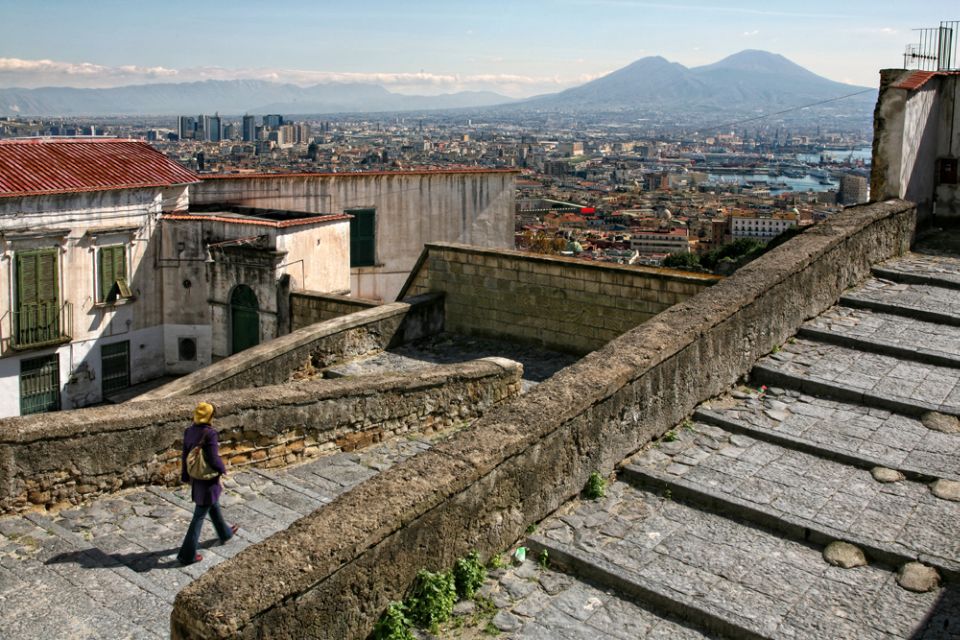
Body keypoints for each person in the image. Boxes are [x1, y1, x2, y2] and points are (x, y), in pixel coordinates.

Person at [176, 401, 238, 565]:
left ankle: (225, 533)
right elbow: (213, 457)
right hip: (207, 477)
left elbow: (184, 455)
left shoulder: (189, 431)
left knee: (213, 503)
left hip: (196, 477)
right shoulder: (209, 433)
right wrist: (222, 469)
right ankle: (187, 554)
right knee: (199, 515)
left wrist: (185, 475)